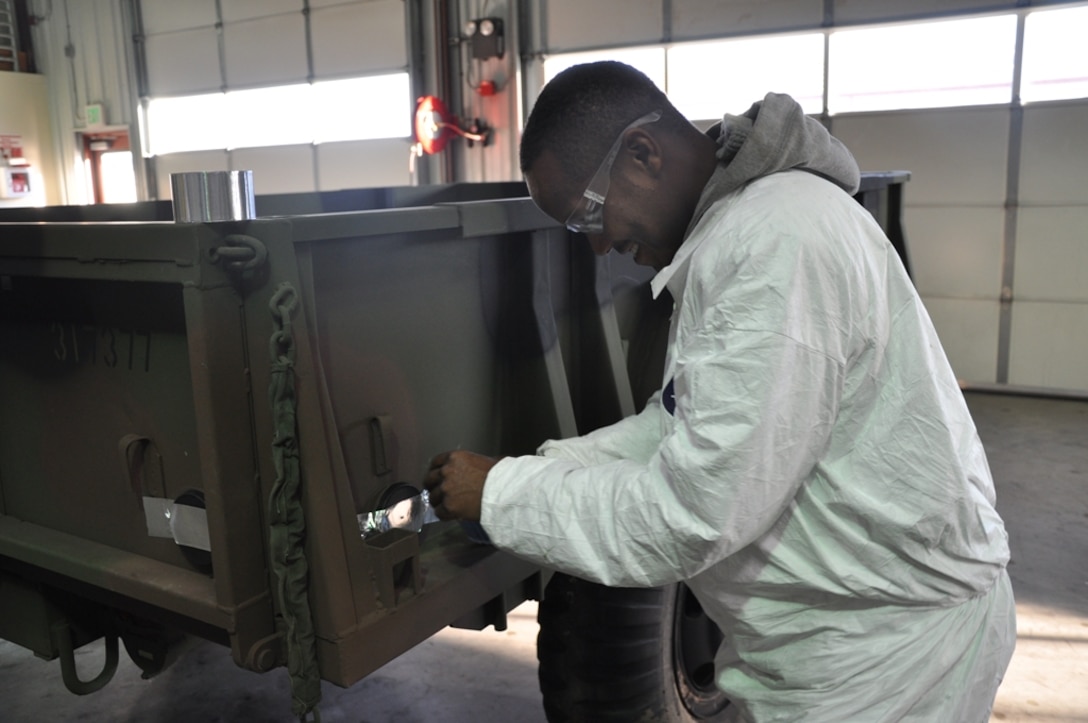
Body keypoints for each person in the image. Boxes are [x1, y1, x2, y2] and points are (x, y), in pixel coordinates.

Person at [424, 61, 1016, 722]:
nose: (599, 246)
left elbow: (692, 515)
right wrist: (537, 472)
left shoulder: (770, 244)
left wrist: (502, 496)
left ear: (642, 154)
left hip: (886, 664)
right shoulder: (745, 230)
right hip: (859, 638)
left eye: (587, 213)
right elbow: (678, 421)